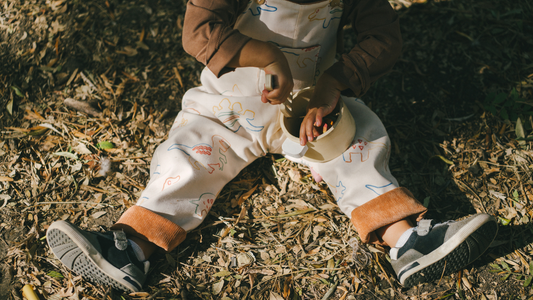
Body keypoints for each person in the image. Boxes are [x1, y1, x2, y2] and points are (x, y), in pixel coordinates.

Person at [46, 0, 498, 292]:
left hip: (309, 111)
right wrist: (266, 56)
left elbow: (384, 38)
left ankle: (407, 241)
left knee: (359, 142)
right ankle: (130, 248)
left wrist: (333, 83)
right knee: (185, 156)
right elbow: (199, 28)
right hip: (227, 107)